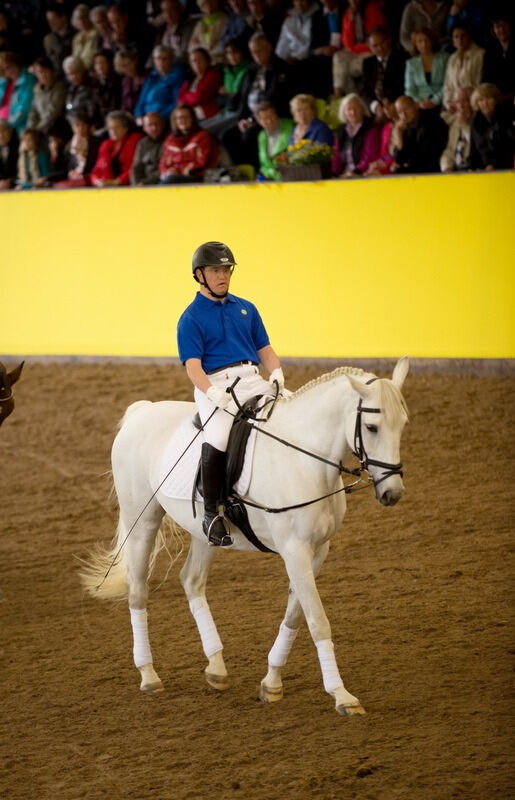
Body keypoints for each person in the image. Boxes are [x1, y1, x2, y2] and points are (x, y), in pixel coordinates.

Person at [177, 241, 284, 546]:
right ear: (200, 275)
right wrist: (212, 393)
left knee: (285, 414)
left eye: (226, 269)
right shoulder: (190, 318)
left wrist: (275, 371)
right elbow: (193, 368)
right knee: (220, 436)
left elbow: (264, 349)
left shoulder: (246, 308)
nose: (223, 275)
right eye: (215, 270)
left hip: (252, 378)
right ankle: (212, 514)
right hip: (215, 385)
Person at [332, 0, 387, 96]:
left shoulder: (372, 9)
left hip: (372, 52)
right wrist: (351, 19)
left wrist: (353, 48)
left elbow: (375, 43)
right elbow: (346, 42)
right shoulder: (348, 13)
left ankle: (350, 98)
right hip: (356, 53)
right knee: (338, 57)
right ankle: (342, 94)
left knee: (343, 70)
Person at [159, 104, 219, 183]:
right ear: (175, 121)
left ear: (192, 119)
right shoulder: (170, 140)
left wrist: (179, 171)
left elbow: (202, 162)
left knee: (169, 181)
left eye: (186, 117)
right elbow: (163, 162)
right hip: (172, 176)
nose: (182, 120)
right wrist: (167, 171)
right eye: (179, 118)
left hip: (196, 176)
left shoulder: (203, 136)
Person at [391, 93, 448, 172]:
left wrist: (407, 163)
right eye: (400, 112)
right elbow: (399, 160)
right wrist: (398, 135)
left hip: (434, 170)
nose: (404, 115)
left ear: (415, 105)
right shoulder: (405, 127)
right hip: (418, 169)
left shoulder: (432, 121)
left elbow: (424, 157)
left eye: (406, 109)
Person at [134, 45, 185, 124]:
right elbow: (142, 99)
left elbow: (176, 102)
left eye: (164, 59)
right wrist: (139, 114)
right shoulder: (152, 76)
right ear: (154, 60)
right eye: (158, 58)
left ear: (171, 59)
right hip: (146, 119)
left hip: (163, 119)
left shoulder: (178, 76)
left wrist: (158, 117)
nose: (161, 62)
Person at [442, 24, 484, 120]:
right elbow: (447, 86)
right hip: (455, 105)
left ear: (469, 36)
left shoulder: (480, 55)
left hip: (473, 104)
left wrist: (467, 102)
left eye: (463, 36)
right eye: (456, 37)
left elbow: (479, 84)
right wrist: (448, 102)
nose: (460, 40)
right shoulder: (452, 58)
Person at [332, 92, 381, 176]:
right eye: (349, 109)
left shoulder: (371, 128)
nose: (353, 112)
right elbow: (337, 156)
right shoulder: (341, 131)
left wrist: (355, 172)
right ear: (344, 112)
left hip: (363, 174)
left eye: (356, 108)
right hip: (345, 175)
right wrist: (334, 174)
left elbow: (370, 157)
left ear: (362, 109)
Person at [361, 27, 407, 114]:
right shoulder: (367, 63)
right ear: (370, 47)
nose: (380, 48)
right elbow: (365, 90)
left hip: (397, 106)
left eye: (382, 43)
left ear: (389, 40)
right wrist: (375, 106)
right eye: (375, 46)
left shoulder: (402, 58)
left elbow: (403, 86)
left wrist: (390, 103)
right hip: (375, 109)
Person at [90, 110, 142, 186]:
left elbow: (135, 168)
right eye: (110, 128)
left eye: (117, 127)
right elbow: (97, 170)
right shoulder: (105, 144)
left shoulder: (135, 140)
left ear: (125, 128)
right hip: (107, 185)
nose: (113, 131)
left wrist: (116, 182)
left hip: (128, 185)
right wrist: (97, 181)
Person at [469, 82, 514, 170]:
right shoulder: (475, 120)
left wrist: (492, 164)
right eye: (481, 100)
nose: (485, 103)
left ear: (495, 99)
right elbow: (475, 147)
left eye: (488, 98)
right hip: (483, 166)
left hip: (505, 164)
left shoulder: (506, 116)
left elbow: (507, 144)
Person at [404, 27, 449, 109]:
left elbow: (448, 84)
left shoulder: (444, 58)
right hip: (419, 105)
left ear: (432, 41)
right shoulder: (411, 63)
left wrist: (435, 101)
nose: (424, 44)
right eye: (420, 41)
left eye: (427, 40)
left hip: (442, 102)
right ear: (415, 44)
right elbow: (410, 90)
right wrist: (419, 102)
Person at [54, 112, 100, 187]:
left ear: (88, 126)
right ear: (72, 127)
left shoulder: (97, 142)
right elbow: (66, 169)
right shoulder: (69, 145)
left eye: (83, 125)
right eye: (77, 125)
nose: (80, 128)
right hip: (74, 179)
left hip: (92, 179)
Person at [177, 48, 222, 120]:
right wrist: (189, 96)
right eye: (193, 61)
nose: (197, 63)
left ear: (207, 61)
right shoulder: (191, 78)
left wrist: (187, 96)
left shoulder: (213, 75)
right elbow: (180, 98)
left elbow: (200, 97)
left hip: (207, 113)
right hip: (191, 112)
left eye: (200, 59)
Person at [27, 56, 67, 135]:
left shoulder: (60, 87)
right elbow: (33, 111)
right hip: (39, 130)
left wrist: (37, 131)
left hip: (54, 129)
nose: (42, 75)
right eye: (39, 72)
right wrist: (30, 129)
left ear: (52, 71)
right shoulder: (37, 89)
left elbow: (53, 113)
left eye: (45, 71)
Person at [0, 52, 37, 135]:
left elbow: (24, 109)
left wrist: (8, 125)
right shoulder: (3, 82)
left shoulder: (29, 80)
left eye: (10, 66)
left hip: (18, 126)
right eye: (4, 69)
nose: (9, 71)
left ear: (16, 63)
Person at [256, 100, 294, 180]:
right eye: (265, 118)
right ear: (259, 122)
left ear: (276, 114)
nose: (269, 121)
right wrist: (269, 173)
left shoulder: (291, 127)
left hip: (290, 178)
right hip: (270, 181)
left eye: (271, 116)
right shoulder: (261, 136)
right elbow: (264, 164)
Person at [482, 14, 514, 105]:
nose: (501, 30)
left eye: (504, 25)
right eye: (497, 26)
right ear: (493, 30)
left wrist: (504, 97)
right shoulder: (491, 50)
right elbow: (486, 77)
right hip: (494, 97)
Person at [440, 85, 473, 171]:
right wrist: (447, 167)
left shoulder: (478, 120)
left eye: (465, 101)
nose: (461, 105)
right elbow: (450, 149)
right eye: (458, 102)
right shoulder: (454, 122)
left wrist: (464, 125)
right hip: (457, 170)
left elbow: (476, 146)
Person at [130, 111, 167, 185]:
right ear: (144, 128)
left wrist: (145, 183)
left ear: (163, 125)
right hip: (142, 184)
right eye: (150, 125)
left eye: (156, 124)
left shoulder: (169, 141)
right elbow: (136, 167)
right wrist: (136, 185)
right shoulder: (142, 143)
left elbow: (164, 168)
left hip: (161, 182)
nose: (154, 128)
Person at [188, 0, 229, 66]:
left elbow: (221, 48)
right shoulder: (200, 23)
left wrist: (200, 44)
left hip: (218, 62)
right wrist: (208, 46)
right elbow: (191, 48)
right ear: (200, 7)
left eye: (210, 2)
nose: (208, 6)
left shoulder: (225, 20)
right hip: (201, 63)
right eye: (204, 4)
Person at [63, 55, 100, 125]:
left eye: (76, 73)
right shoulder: (72, 89)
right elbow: (68, 109)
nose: (74, 77)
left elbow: (92, 114)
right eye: (70, 74)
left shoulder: (93, 87)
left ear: (83, 71)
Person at [114, 50, 146, 114]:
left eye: (129, 63)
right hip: (130, 115)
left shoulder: (146, 76)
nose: (128, 68)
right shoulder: (125, 81)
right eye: (124, 66)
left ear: (134, 62)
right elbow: (124, 103)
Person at [44, 6, 73, 73]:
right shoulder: (48, 39)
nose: (50, 24)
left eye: (53, 19)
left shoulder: (75, 34)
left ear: (63, 18)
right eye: (49, 21)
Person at [71, 4, 99, 70]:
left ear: (90, 17)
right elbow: (75, 57)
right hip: (79, 71)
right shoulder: (76, 37)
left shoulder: (97, 33)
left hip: (92, 69)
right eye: (78, 19)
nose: (82, 21)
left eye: (84, 17)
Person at [0, 119, 18, 189]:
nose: (1, 135)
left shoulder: (19, 147)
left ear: (10, 131)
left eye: (3, 131)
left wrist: (11, 181)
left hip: (16, 185)